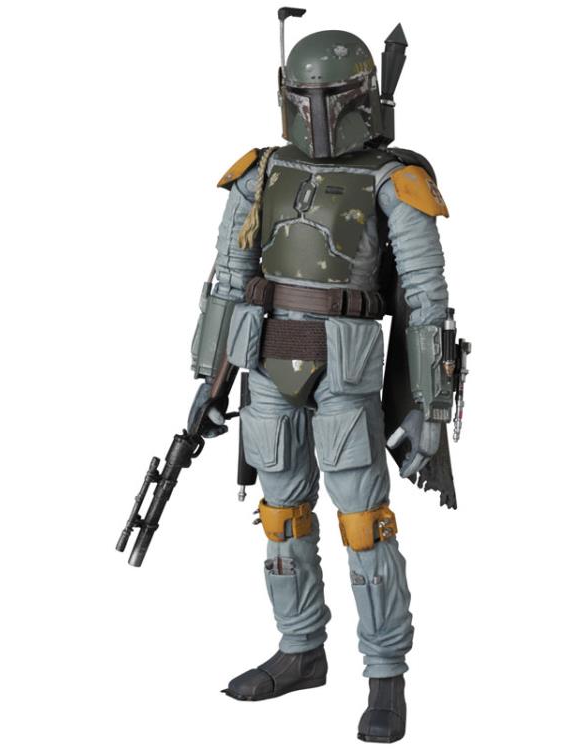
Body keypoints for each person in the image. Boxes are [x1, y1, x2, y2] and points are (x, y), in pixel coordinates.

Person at [188, 23, 456, 743]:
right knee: (281, 515)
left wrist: (430, 405)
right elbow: (229, 280)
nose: (313, 112)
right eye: (303, 97)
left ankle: (385, 674)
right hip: (267, 358)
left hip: (347, 366)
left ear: (361, 99)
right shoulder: (260, 172)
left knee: (364, 522)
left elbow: (427, 300)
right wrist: (209, 382)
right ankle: (300, 648)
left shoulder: (394, 180)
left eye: (327, 98)